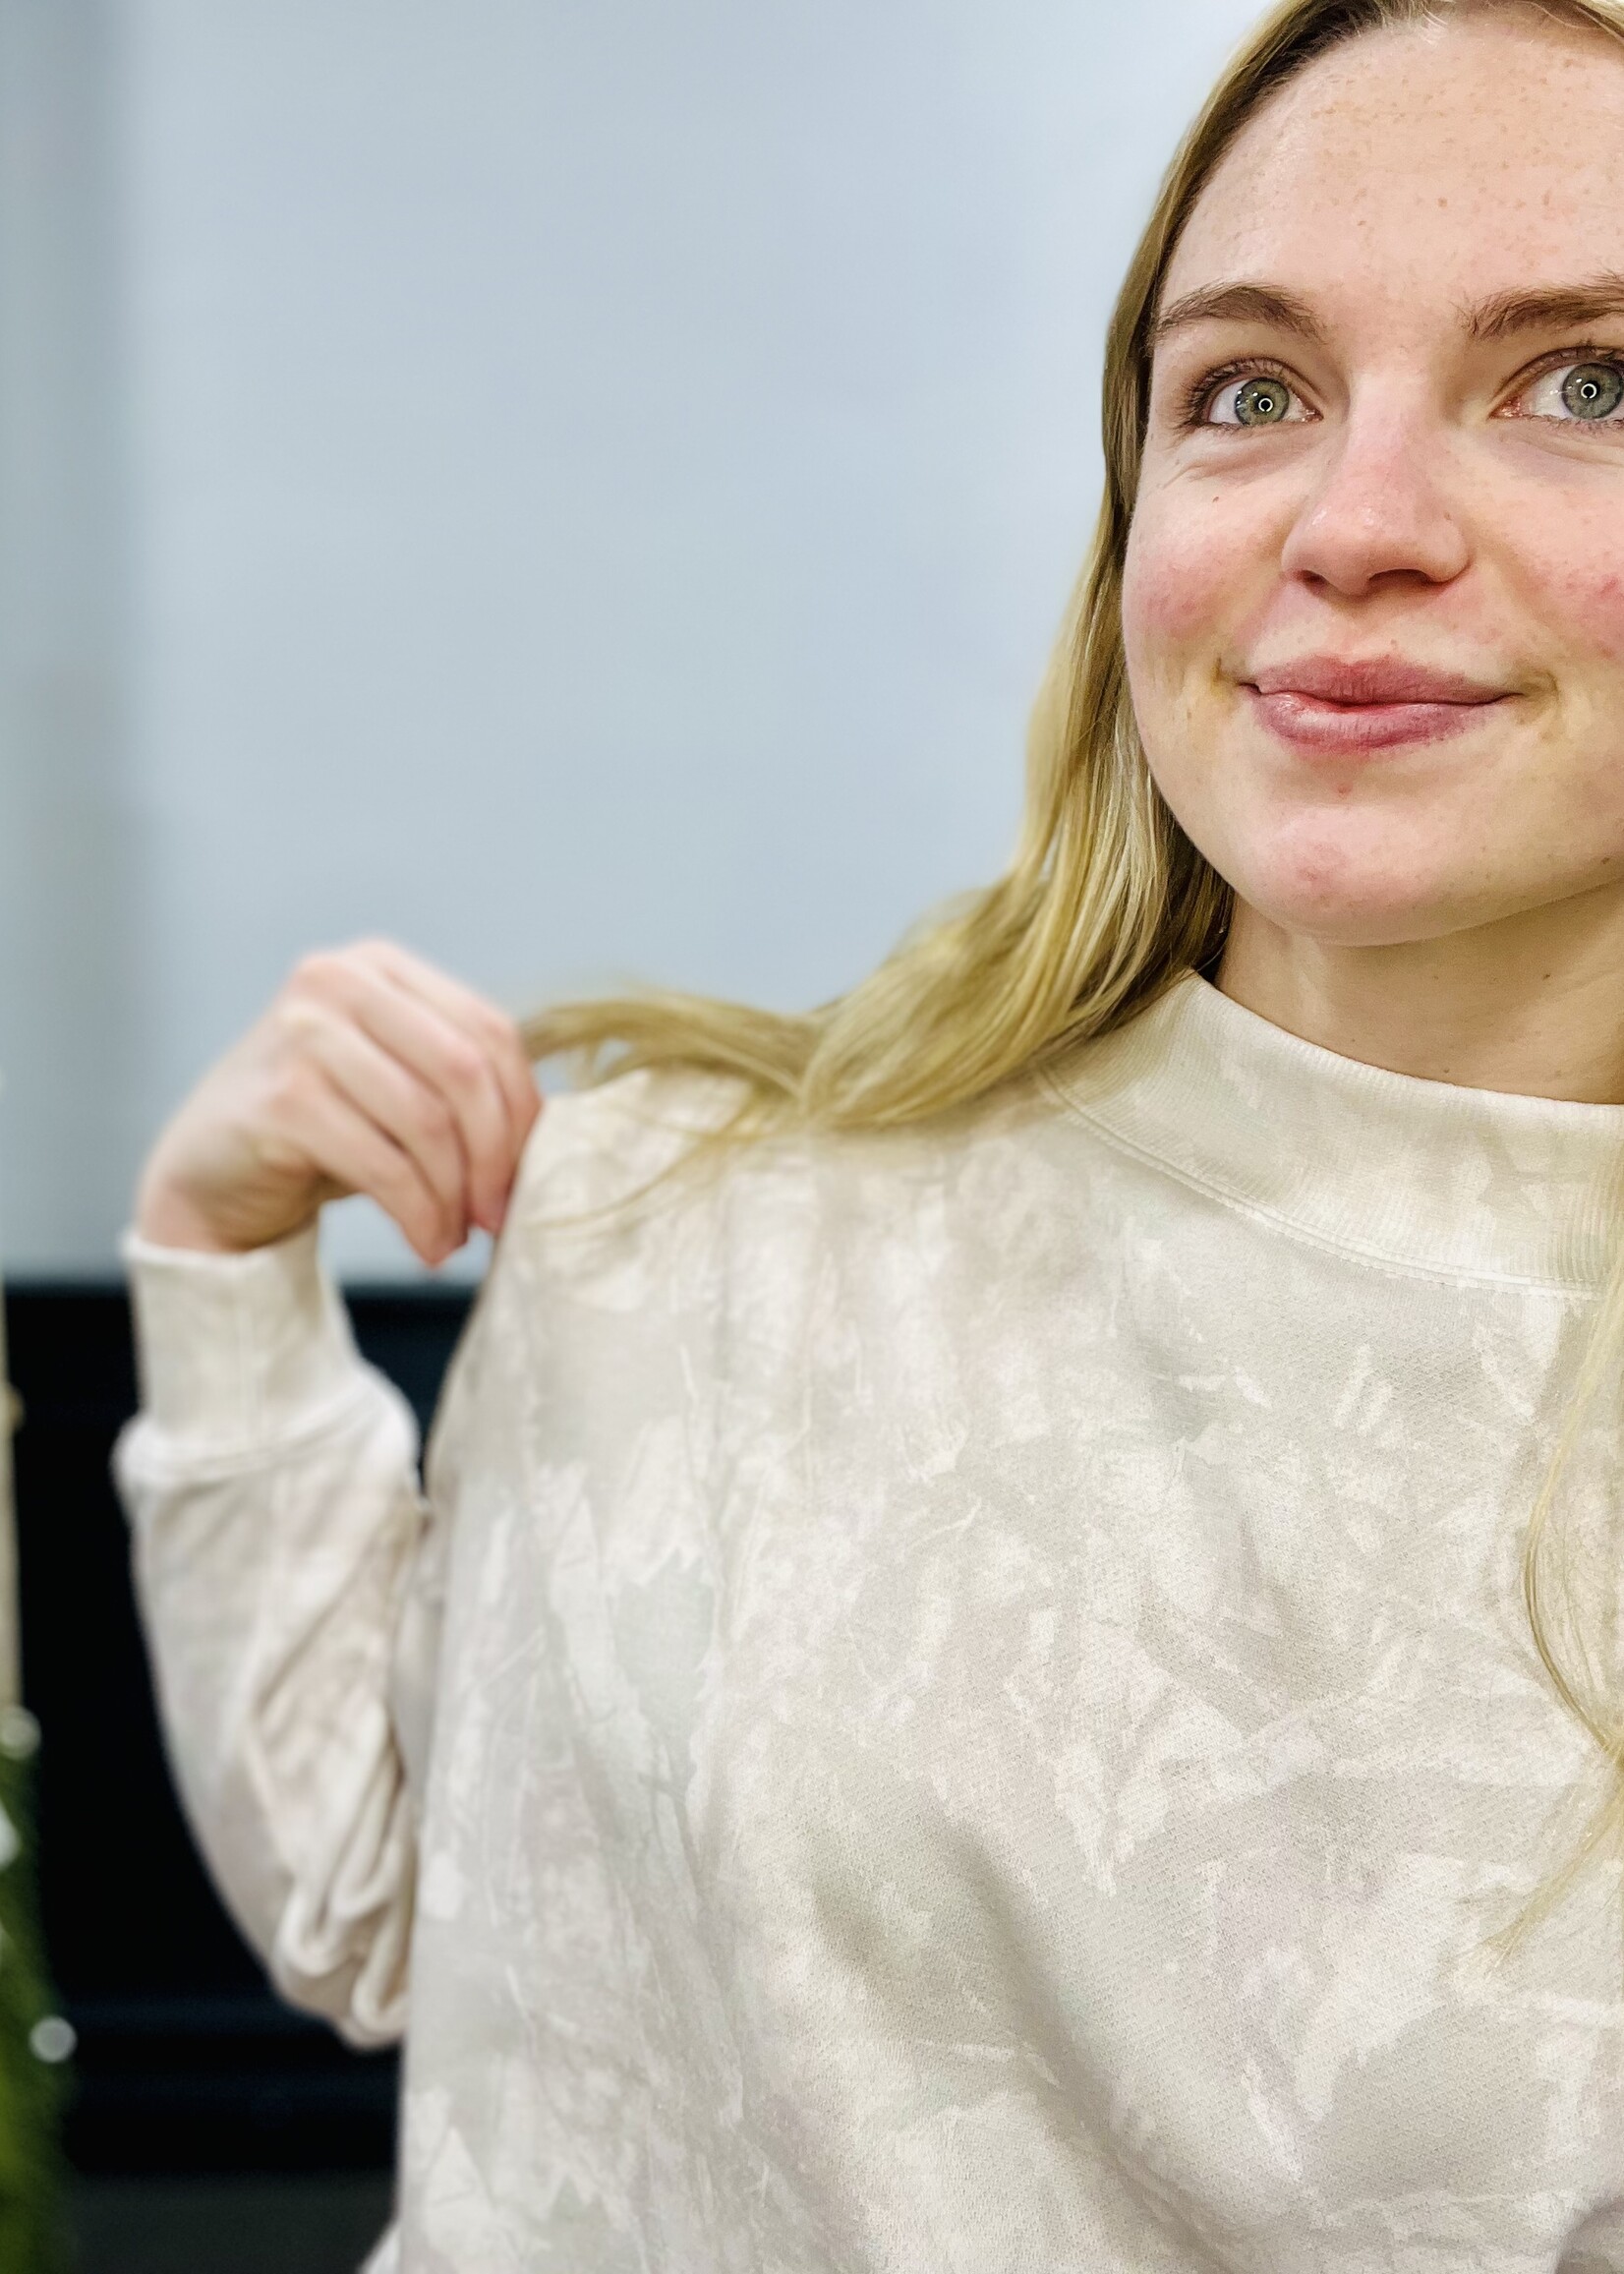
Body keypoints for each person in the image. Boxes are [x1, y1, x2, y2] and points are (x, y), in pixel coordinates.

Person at [115, 0, 1624, 2261]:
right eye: (1247, 389)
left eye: (1585, 383)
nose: (1357, 521)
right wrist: (219, 1275)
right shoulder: (698, 1201)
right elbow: (390, 1904)